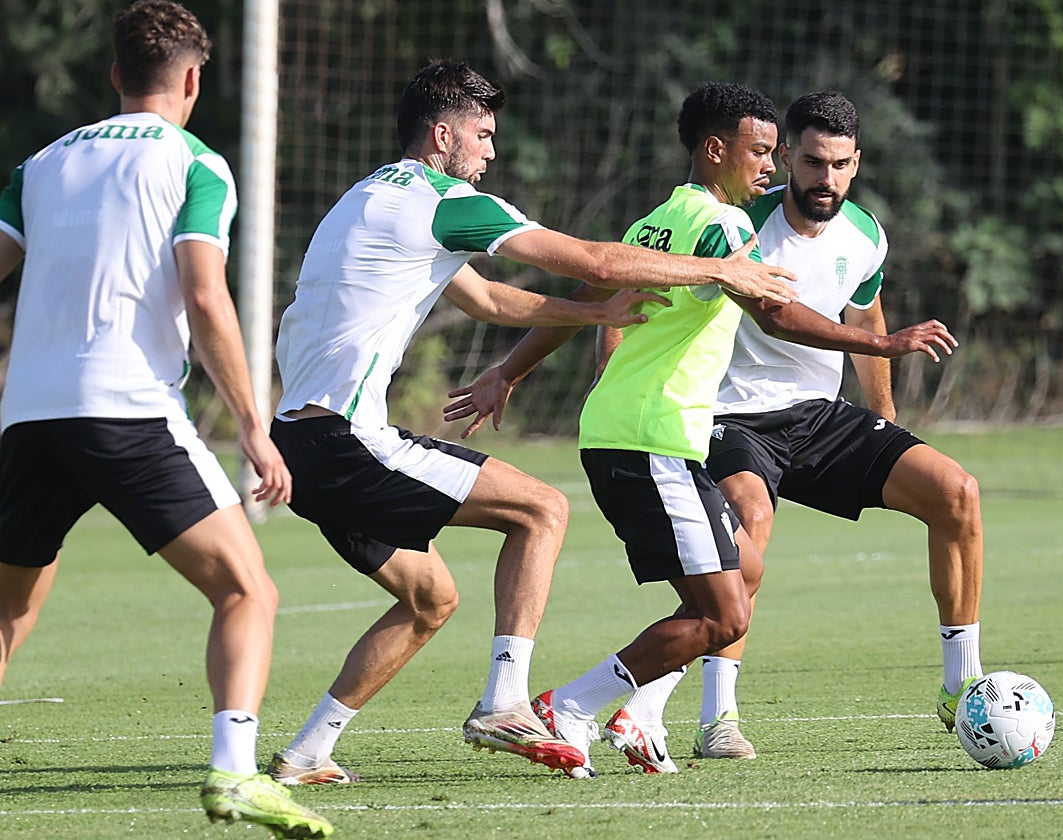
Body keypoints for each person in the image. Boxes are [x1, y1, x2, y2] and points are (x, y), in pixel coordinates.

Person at [264, 60, 800, 785]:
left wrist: (591, 315)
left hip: (295, 443)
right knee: (542, 509)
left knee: (431, 601)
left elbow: (486, 300)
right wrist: (719, 272)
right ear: (442, 133)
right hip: (346, 439)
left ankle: (307, 752)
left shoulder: (365, 198)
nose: (490, 151)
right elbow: (593, 257)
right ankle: (507, 702)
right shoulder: (442, 201)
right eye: (482, 136)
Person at [443, 81, 957, 777]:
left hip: (642, 435)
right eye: (761, 152)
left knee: (743, 571)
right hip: (652, 437)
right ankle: (572, 706)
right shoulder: (726, 229)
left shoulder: (660, 220)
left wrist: (508, 371)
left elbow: (587, 297)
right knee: (726, 616)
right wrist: (881, 345)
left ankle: (639, 710)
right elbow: (775, 314)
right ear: (716, 151)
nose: (771, 167)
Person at [0, 2, 332, 836]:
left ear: (114, 76)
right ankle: (234, 775)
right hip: (126, 411)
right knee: (246, 589)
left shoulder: (40, 163)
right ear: (191, 78)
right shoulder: (195, 162)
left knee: (8, 610)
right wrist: (254, 423)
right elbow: (203, 293)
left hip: (30, 414)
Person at [610, 91, 986, 769]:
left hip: (819, 415)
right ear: (787, 159)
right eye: (814, 162)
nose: (828, 179)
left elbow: (864, 316)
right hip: (730, 414)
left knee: (956, 491)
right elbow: (773, 315)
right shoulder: (737, 219)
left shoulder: (866, 234)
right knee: (750, 519)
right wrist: (885, 346)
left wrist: (885, 423)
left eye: (841, 165)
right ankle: (716, 717)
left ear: (857, 163)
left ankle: (961, 683)